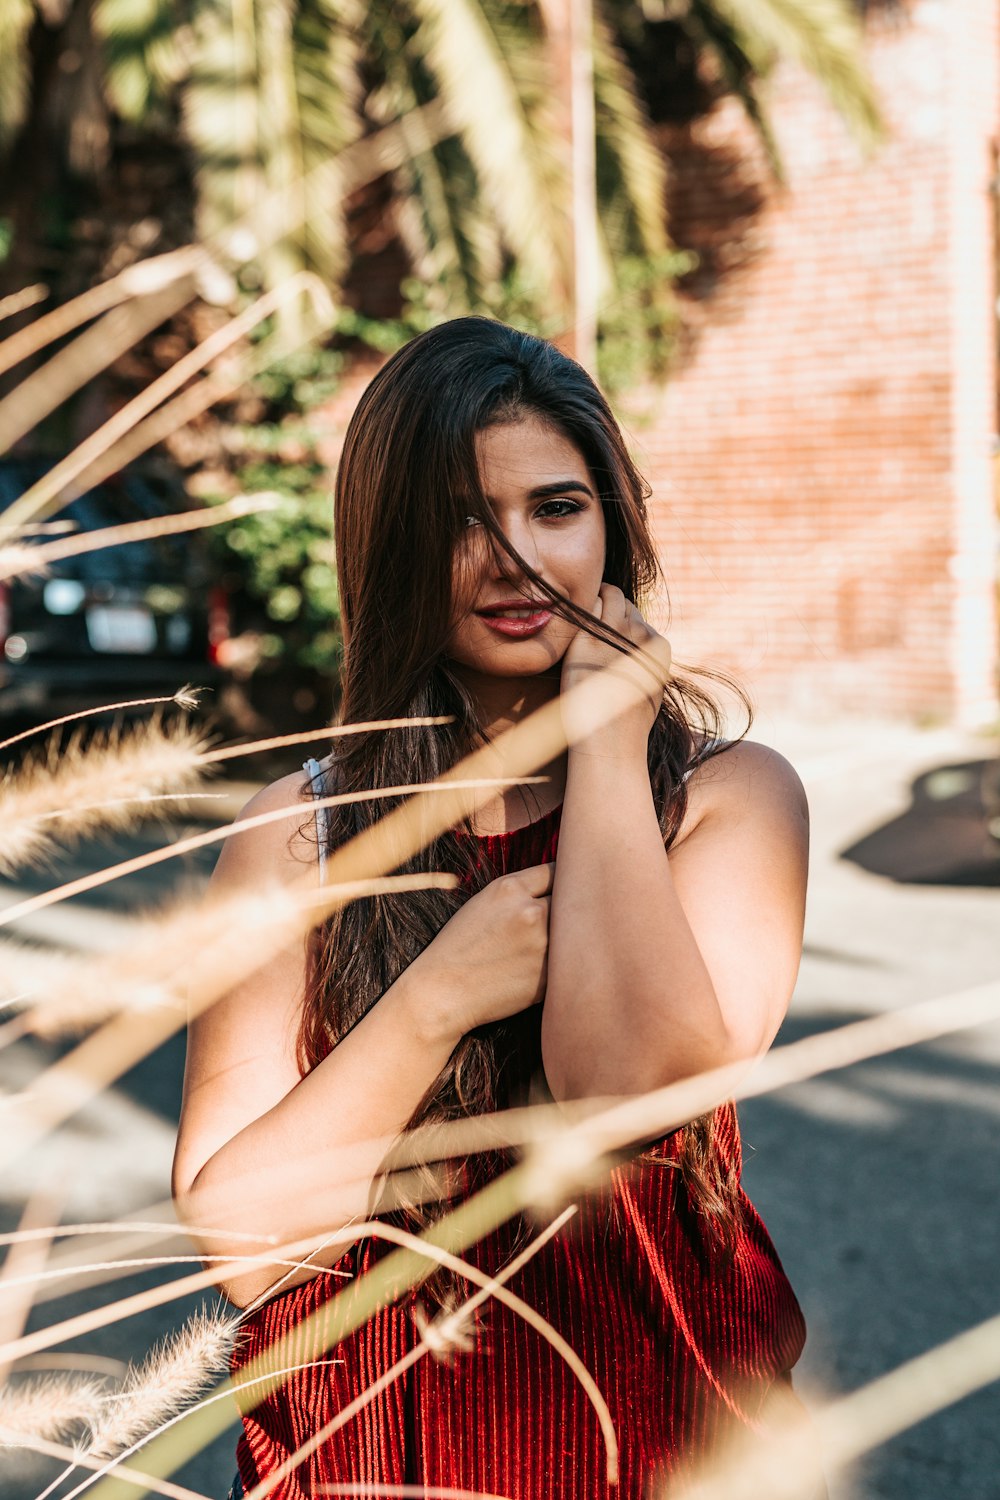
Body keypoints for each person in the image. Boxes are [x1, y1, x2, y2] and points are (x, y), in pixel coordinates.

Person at [172, 317, 813, 1500]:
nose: (515, 558)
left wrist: (609, 748)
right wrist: (439, 995)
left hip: (655, 1438)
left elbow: (622, 1091)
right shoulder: (298, 831)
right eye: (461, 521)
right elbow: (245, 1246)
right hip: (365, 1455)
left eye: (555, 508)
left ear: (610, 526)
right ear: (391, 547)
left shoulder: (723, 805)